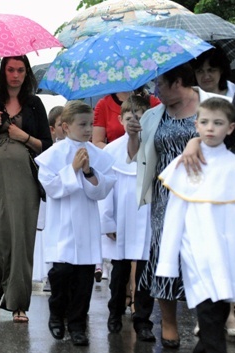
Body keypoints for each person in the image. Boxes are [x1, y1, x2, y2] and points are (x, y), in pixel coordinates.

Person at [126, 63, 227, 348]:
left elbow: (234, 140)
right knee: (163, 256)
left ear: (178, 82)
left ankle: (206, 320)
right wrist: (133, 135)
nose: (155, 90)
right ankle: (168, 323)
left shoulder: (211, 104)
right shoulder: (152, 116)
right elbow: (137, 156)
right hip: (166, 197)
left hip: (205, 194)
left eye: (160, 84)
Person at [156, 97, 235, 353]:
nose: (210, 128)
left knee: (216, 315)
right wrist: (166, 261)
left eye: (217, 123)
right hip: (196, 251)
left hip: (227, 255)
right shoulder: (184, 166)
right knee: (209, 318)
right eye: (205, 122)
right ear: (196, 125)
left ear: (230, 128)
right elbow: (173, 218)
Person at [0, 55, 53, 323]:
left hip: (25, 180)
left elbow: (47, 145)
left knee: (21, 238)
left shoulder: (34, 104)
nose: (15, 74)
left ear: (26, 73)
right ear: (3, 72)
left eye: (20, 70)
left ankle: (18, 301)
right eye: (10, 69)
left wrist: (23, 137)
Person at [36, 100, 116, 346]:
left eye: (90, 124)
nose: (88, 130)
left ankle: (78, 324)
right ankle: (57, 315)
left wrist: (89, 172)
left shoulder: (99, 155)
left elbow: (102, 190)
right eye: (82, 124)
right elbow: (51, 187)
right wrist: (71, 169)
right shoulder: (51, 156)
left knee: (83, 278)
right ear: (66, 126)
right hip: (62, 225)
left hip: (86, 224)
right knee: (61, 274)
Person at [98, 96, 153, 337]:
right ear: (120, 120)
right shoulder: (111, 150)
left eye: (139, 117)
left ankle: (142, 319)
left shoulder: (153, 146)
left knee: (144, 270)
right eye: (130, 117)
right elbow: (106, 188)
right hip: (120, 216)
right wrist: (108, 220)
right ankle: (115, 312)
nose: (134, 121)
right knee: (119, 272)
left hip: (145, 215)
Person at [32, 105, 65, 292]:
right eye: (61, 125)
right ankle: (50, 275)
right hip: (51, 203)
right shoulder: (47, 153)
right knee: (51, 239)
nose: (65, 128)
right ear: (52, 129)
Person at [92, 90, 161, 148]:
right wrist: (119, 152)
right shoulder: (103, 104)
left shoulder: (152, 101)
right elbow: (97, 142)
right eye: (128, 119)